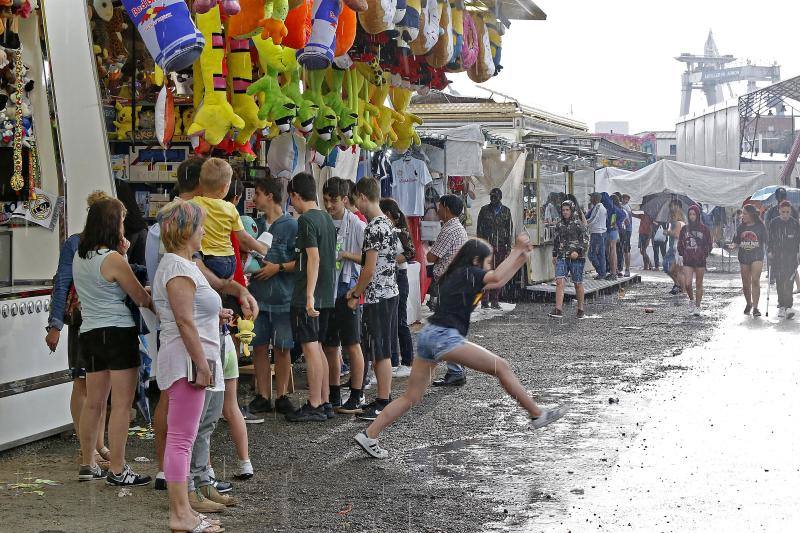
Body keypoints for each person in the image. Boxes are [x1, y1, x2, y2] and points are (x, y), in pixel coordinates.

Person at [354, 234, 569, 459]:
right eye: (487, 262)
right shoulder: (470, 273)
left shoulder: (459, 274)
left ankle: (369, 434)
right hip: (444, 337)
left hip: (429, 335)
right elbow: (495, 277)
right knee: (502, 367)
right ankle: (536, 415)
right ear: (477, 260)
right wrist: (516, 251)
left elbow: (498, 280)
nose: (488, 267)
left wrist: (520, 258)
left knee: (410, 398)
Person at [152, 199, 230, 533]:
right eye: (200, 226)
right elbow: (184, 321)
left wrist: (216, 314)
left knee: (182, 437)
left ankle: (184, 511)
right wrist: (201, 364)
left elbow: (189, 315)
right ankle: (180, 513)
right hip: (186, 361)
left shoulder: (181, 264)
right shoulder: (178, 267)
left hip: (187, 358)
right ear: (187, 231)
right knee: (182, 439)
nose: (203, 231)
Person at [72, 198, 153, 485]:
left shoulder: (80, 257)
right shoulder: (113, 259)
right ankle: (117, 469)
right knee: (120, 404)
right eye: (120, 222)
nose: (123, 227)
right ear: (112, 224)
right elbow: (140, 297)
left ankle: (87, 463)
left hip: (90, 334)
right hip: (118, 333)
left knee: (93, 402)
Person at [45, 191, 111, 472]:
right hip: (84, 320)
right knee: (83, 383)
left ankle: (98, 442)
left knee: (102, 386)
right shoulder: (76, 243)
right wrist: (55, 325)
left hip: (106, 321)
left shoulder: (113, 245)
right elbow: (62, 282)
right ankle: (88, 447)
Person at [346, 177, 399, 421]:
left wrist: (356, 293)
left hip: (378, 296)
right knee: (382, 348)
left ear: (363, 197)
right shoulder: (386, 223)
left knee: (380, 350)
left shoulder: (374, 227)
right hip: (389, 293)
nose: (355, 204)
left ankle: (383, 400)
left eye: (356, 198)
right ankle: (382, 398)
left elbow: (369, 269)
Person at [286, 172, 338, 422]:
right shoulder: (327, 218)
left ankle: (315, 403)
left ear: (295, 195)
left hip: (311, 296)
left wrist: (308, 296)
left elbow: (314, 258)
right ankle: (325, 400)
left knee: (311, 349)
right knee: (318, 347)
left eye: (291, 199)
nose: (291, 205)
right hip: (327, 294)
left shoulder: (306, 220)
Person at [247, 177, 299, 416]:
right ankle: (262, 395)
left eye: (257, 193)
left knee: (282, 348)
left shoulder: (291, 225)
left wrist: (276, 268)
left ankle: (282, 395)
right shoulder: (254, 225)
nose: (253, 198)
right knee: (258, 346)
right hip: (257, 298)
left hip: (282, 298)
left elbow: (300, 262)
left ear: (269, 195)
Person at [321, 177, 367, 414]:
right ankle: (334, 392)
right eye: (326, 200)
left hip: (348, 289)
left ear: (345, 199)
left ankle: (357, 394)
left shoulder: (357, 226)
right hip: (327, 291)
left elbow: (370, 260)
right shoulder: (324, 222)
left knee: (352, 344)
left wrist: (346, 256)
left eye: (334, 201)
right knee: (330, 346)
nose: (329, 205)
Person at [191, 157, 267, 280]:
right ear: (225, 187)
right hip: (229, 261)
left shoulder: (193, 204)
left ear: (200, 182)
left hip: (209, 260)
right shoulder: (230, 208)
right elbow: (244, 237)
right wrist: (262, 248)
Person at [426, 194, 468, 387]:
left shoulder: (449, 228)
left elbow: (432, 256)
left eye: (440, 206)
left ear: (447, 208)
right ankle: (457, 367)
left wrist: (430, 250)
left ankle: (456, 370)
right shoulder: (457, 228)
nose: (438, 209)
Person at [380, 197, 416, 377]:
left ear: (386, 214)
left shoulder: (400, 231)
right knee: (392, 321)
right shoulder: (387, 230)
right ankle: (394, 359)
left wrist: (389, 262)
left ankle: (407, 359)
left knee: (400, 320)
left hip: (399, 277)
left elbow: (410, 253)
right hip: (391, 277)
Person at [549, 200, 589, 319]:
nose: (565, 212)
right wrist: (554, 255)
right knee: (559, 282)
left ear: (571, 210)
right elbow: (556, 240)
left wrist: (578, 251)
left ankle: (580, 309)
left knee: (577, 283)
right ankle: (558, 309)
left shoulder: (579, 224)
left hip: (577, 258)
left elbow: (586, 240)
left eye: (567, 210)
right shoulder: (559, 224)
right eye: (563, 210)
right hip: (562, 256)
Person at [476, 187, 513, 309]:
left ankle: (495, 300)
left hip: (501, 246)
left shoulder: (506, 211)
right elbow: (479, 229)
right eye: (491, 196)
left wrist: (508, 248)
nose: (493, 199)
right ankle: (484, 301)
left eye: (495, 197)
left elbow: (509, 230)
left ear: (500, 198)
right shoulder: (484, 210)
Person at [728, 204, 766, 316]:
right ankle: (749, 303)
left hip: (757, 256)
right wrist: (733, 245)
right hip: (744, 256)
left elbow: (766, 240)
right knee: (745, 283)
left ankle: (756, 307)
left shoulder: (760, 226)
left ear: (751, 214)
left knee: (755, 280)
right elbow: (736, 241)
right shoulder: (741, 227)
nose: (742, 216)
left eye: (744, 213)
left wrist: (771, 251)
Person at [678, 205, 713, 316]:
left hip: (700, 260)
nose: (692, 216)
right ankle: (691, 300)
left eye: (694, 214)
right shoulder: (685, 229)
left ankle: (698, 306)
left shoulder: (704, 229)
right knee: (687, 284)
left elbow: (709, 243)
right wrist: (682, 252)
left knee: (699, 283)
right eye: (690, 214)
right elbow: (680, 242)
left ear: (698, 215)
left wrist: (705, 253)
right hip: (688, 259)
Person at [767, 200, 800, 319]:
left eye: (787, 212)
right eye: (783, 212)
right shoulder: (773, 223)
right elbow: (769, 239)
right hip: (777, 257)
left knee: (789, 281)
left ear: (790, 211)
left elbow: (798, 240)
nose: (785, 214)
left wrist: (798, 254)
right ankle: (781, 305)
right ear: (779, 211)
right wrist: (770, 251)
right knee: (780, 282)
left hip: (791, 257)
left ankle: (789, 306)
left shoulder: (795, 223)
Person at [663, 201, 686, 295]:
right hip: (681, 249)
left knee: (679, 271)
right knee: (673, 270)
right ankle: (679, 286)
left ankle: (683, 290)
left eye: (672, 216)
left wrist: (668, 232)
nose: (671, 217)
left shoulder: (677, 223)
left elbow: (677, 235)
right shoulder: (683, 223)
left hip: (678, 249)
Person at [586, 193, 607, 280]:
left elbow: (593, 219)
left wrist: (584, 223)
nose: (590, 199)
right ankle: (602, 273)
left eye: (591, 198)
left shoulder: (598, 206)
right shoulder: (599, 207)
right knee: (600, 255)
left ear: (595, 198)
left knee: (591, 254)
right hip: (599, 233)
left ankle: (601, 272)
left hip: (597, 233)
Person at [620, 194, 633, 277]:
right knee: (623, 249)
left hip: (626, 230)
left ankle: (627, 269)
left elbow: (628, 221)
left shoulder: (626, 208)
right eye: (625, 199)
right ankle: (622, 268)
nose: (626, 201)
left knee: (626, 249)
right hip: (625, 230)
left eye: (627, 199)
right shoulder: (622, 207)